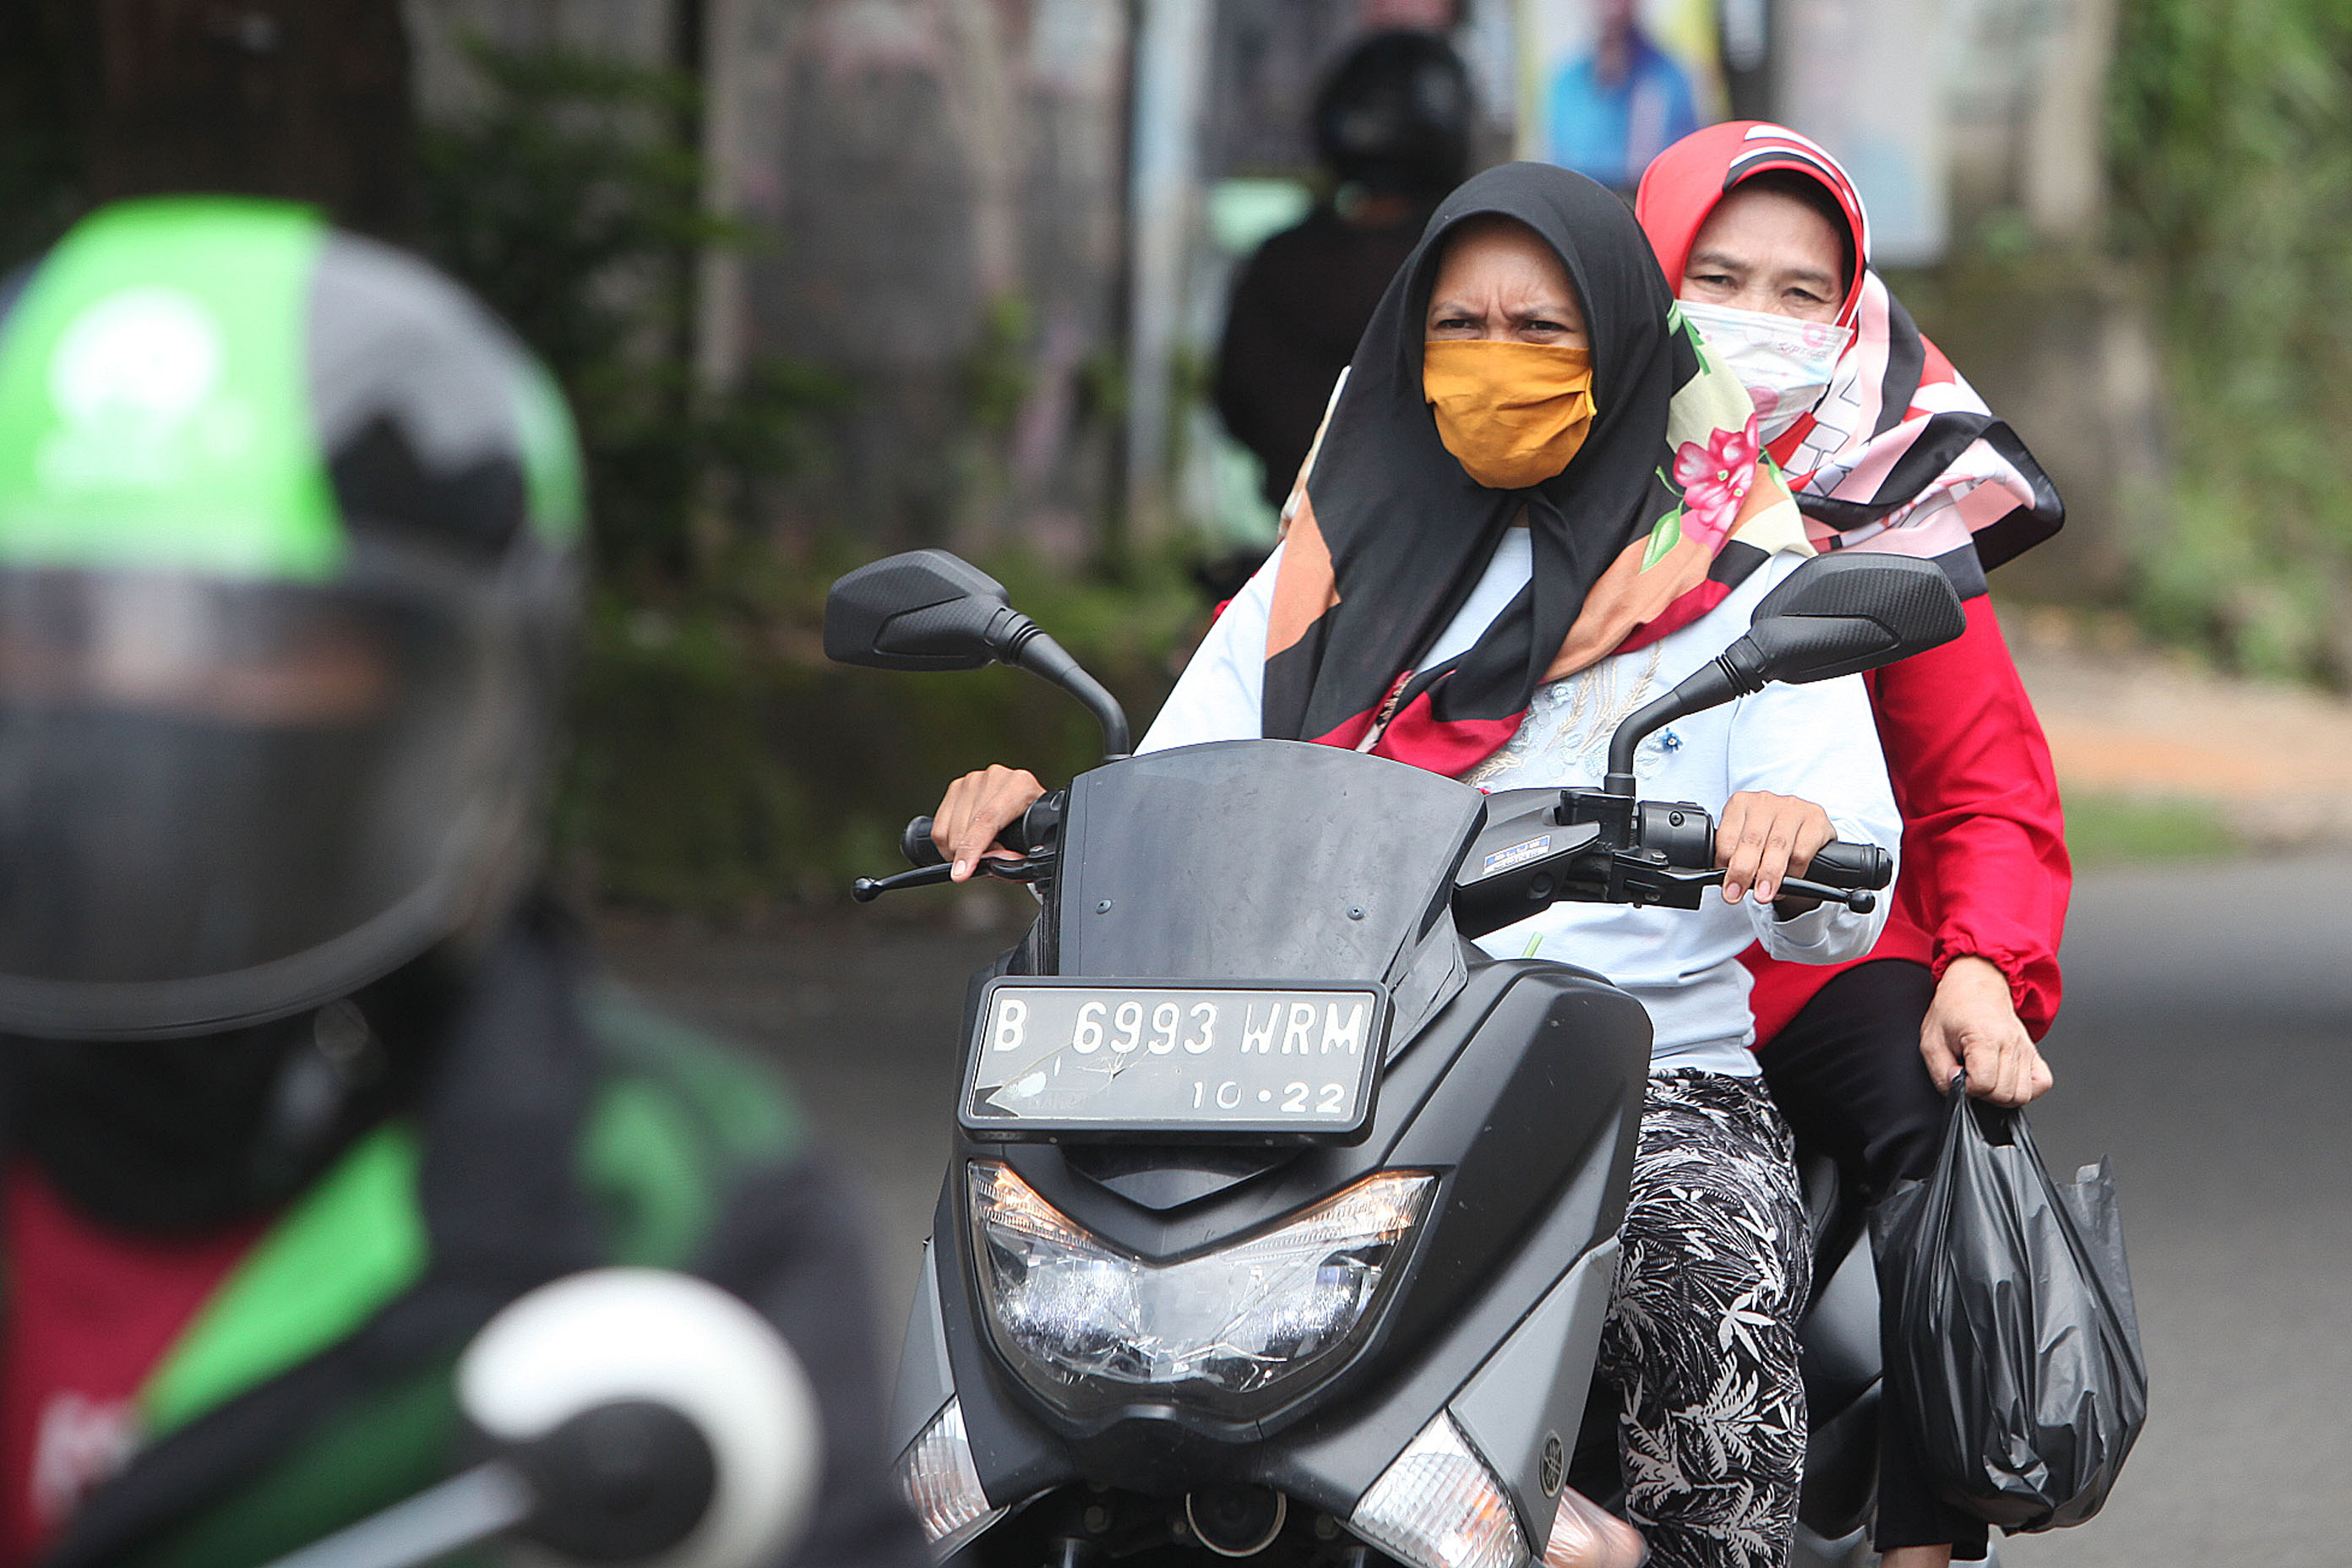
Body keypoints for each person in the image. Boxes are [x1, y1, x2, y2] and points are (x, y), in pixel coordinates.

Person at [932, 161, 1905, 1568]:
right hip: (1299, 1060)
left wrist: (1789, 836)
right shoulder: (1317, 576)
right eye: (1461, 325)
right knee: (1039, 1279)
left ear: (1621, 345)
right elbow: (1176, 790)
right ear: (1408, 342)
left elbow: (1838, 900)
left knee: (1705, 1293)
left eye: (1540, 330)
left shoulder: (1742, 588)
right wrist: (1047, 814)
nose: (1494, 362)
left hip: (1634, 1076)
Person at [0, 198, 923, 1568]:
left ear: (459, 719)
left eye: (250, 645)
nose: (136, 698)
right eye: (57, 631)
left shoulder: (659, 1210)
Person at [1634, 122, 2071, 1567]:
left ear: (1851, 313)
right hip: (1555, 943)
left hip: (1806, 950)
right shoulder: (1528, 471)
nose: (1753, 323)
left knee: (1938, 1115)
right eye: (1714, 279)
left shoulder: (1891, 509)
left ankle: (1918, 1540)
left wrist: (1983, 967)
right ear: (1640, 279)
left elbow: (1981, 786)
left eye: (1799, 293)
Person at [1214, 29, 1473, 518]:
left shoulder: (1281, 260)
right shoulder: (1462, 260)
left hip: (1297, 518)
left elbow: (1235, 401)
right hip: (1433, 525)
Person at [1546, 0, 1700, 191]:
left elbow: (1683, 169)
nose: (1612, 8)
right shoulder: (1566, 81)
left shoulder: (1668, 78)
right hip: (1580, 200)